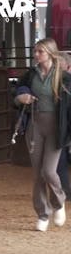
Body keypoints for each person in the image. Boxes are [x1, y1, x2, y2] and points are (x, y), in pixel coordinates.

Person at [15, 38, 71, 232]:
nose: (36, 54)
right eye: (36, 51)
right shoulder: (31, 74)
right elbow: (18, 89)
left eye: (40, 51)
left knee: (49, 171)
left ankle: (59, 201)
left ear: (50, 53)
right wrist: (21, 96)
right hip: (35, 124)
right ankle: (42, 213)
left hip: (56, 126)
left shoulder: (63, 77)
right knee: (37, 173)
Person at [56, 51, 71, 200]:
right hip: (61, 128)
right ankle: (65, 191)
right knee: (60, 161)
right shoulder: (54, 85)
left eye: (59, 66)